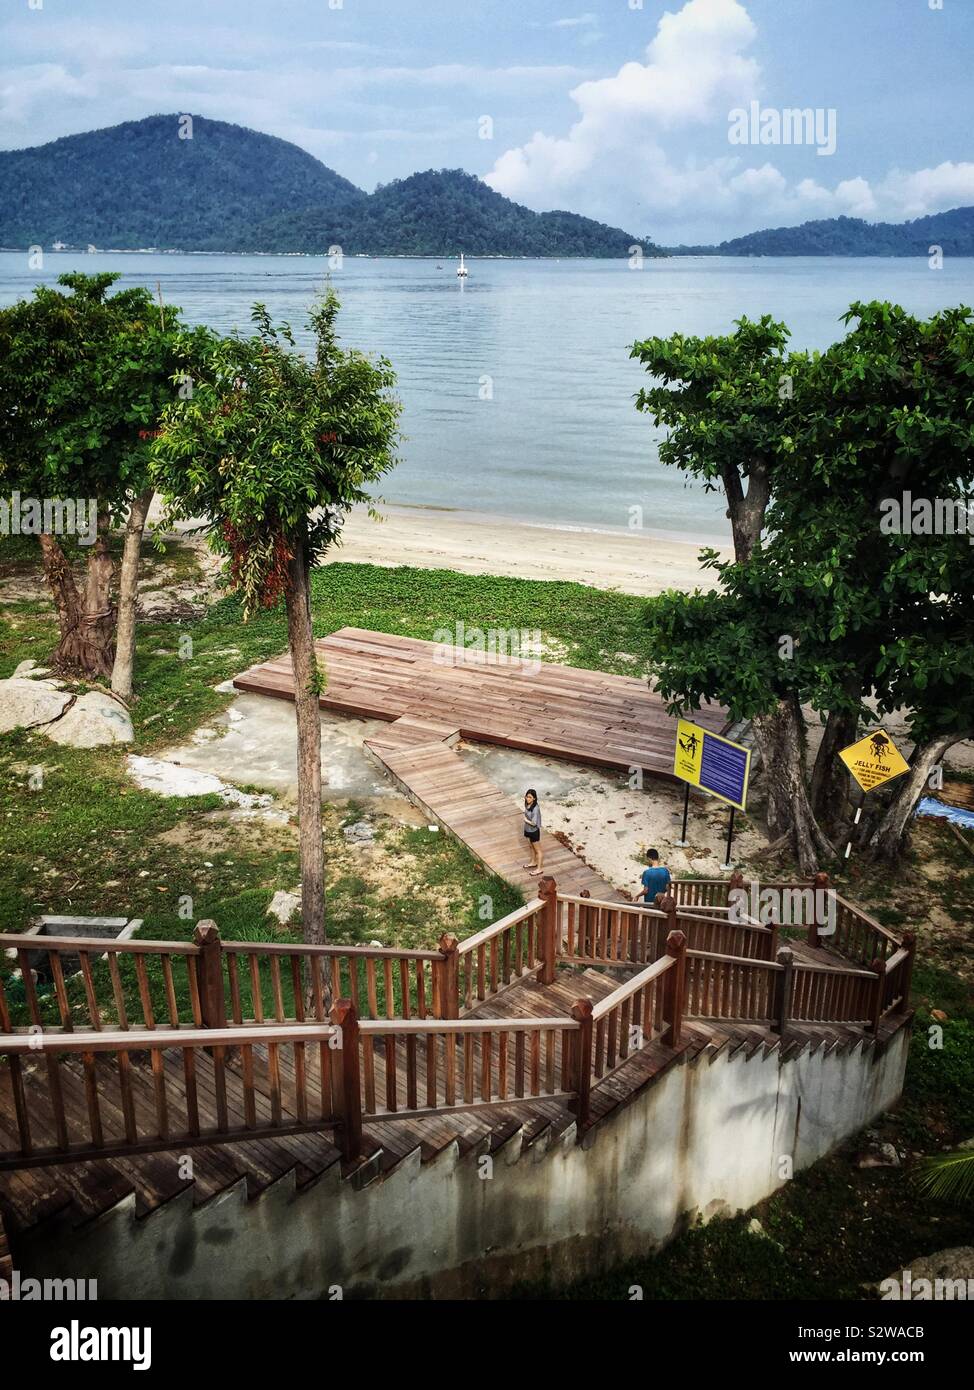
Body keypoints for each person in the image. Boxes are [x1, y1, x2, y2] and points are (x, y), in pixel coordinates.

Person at [521, 788, 543, 875]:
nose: (528, 799)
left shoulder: (535, 809)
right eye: (527, 797)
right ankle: (533, 862)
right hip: (527, 830)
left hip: (533, 831)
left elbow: (534, 823)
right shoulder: (527, 804)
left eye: (530, 797)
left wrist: (526, 820)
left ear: (534, 798)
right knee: (531, 847)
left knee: (538, 850)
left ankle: (539, 869)